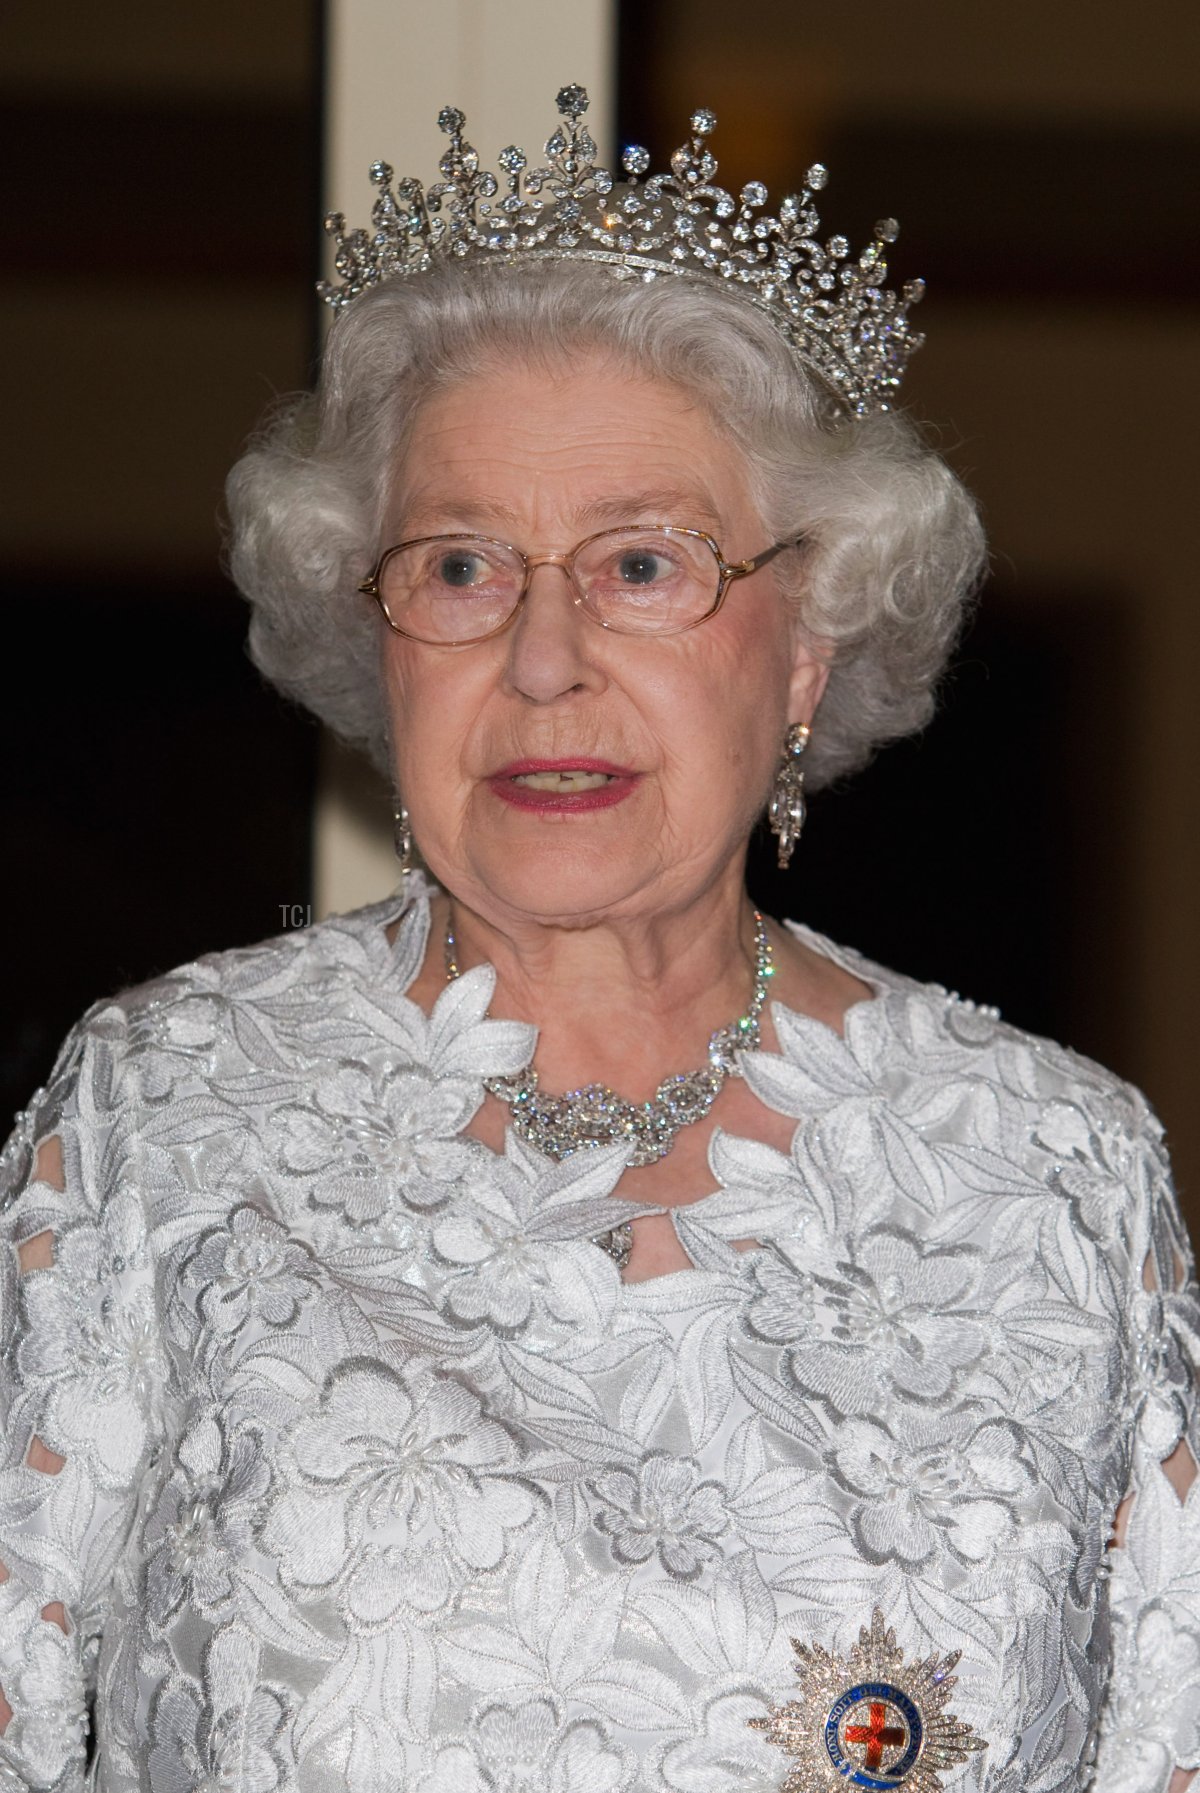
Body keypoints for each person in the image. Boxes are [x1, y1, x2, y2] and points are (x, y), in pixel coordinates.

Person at [1, 85, 1196, 1793]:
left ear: (804, 647)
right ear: (381, 641)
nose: (545, 658)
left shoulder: (1057, 1169)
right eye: (466, 566)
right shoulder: (156, 1120)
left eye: (643, 565)